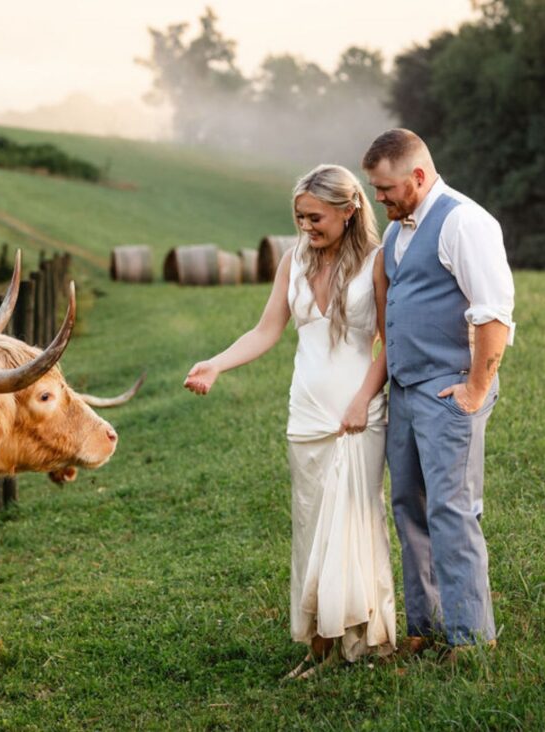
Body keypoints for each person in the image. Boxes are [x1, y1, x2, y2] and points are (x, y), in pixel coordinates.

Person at [184, 164, 396, 678]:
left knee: (353, 523)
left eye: (316, 217)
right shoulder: (292, 262)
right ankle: (320, 646)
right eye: (299, 217)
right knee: (310, 528)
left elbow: (391, 343)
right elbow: (265, 331)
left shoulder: (378, 261)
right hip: (305, 415)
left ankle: (358, 640)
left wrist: (362, 400)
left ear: (349, 211)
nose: (306, 227)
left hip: (356, 414)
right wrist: (216, 363)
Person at [361, 129, 515, 656]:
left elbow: (494, 312)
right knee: (408, 507)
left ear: (419, 176)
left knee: (452, 510)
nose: (377, 199)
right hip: (406, 391)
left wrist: (475, 389)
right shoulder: (396, 233)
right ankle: (425, 628)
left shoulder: (464, 222)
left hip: (449, 392)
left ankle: (472, 639)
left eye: (385, 189)